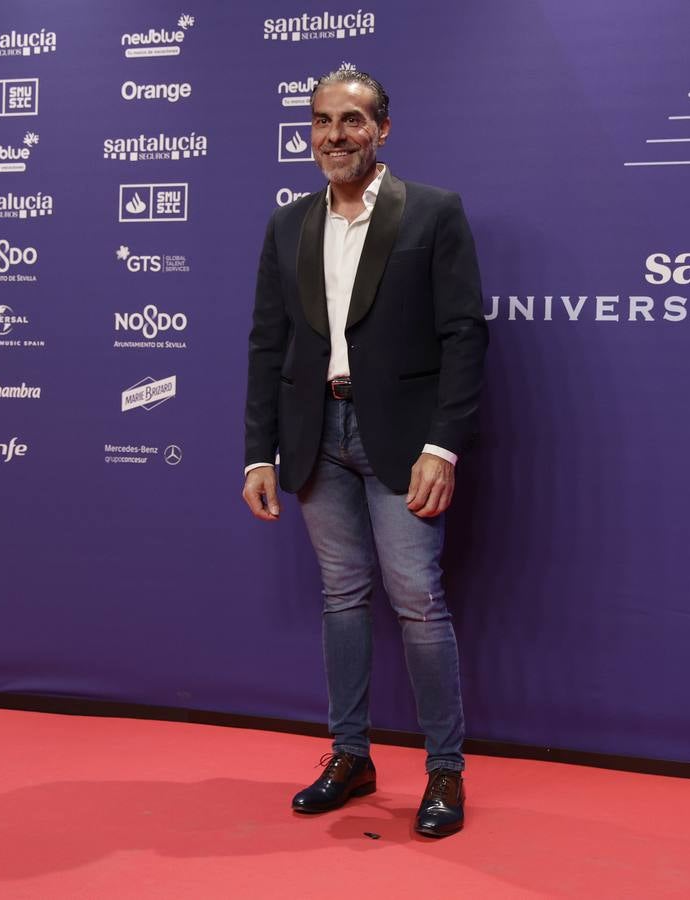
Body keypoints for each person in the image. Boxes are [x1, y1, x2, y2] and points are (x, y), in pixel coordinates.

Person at [242, 68, 487, 837]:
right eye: (320, 120)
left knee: (417, 602)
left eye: (350, 119)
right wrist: (257, 454)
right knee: (341, 600)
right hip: (316, 438)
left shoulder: (434, 213)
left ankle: (443, 770)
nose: (333, 135)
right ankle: (350, 756)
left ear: (382, 128)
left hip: (405, 441)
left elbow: (463, 336)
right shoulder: (288, 224)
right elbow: (267, 344)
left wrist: (442, 445)